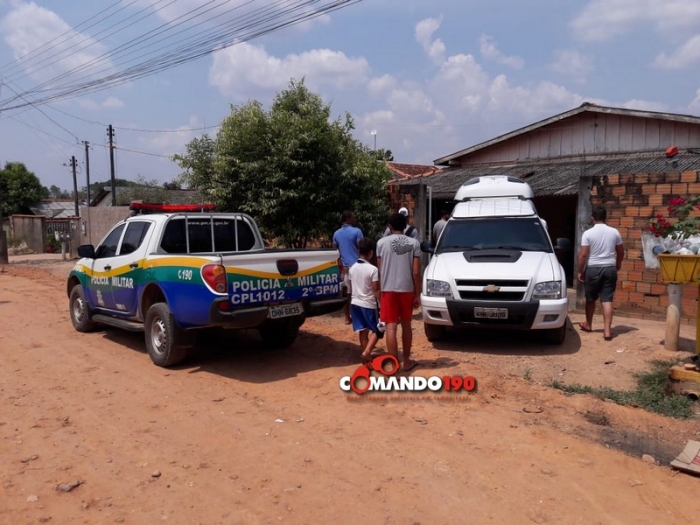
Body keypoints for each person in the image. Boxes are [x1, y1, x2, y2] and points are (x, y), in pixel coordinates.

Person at [376, 212, 422, 372]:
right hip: (407, 289)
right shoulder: (414, 243)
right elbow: (416, 272)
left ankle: (393, 365)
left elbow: (380, 270)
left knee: (391, 327)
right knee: (406, 325)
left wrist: (380, 291)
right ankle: (407, 361)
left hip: (388, 289)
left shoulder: (381, 243)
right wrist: (418, 294)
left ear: (389, 226)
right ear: (405, 226)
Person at [577, 205, 624, 341]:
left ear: (592, 218)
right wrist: (618, 263)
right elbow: (620, 251)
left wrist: (580, 271)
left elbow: (583, 255)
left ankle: (589, 324)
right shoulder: (614, 232)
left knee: (590, 298)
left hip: (593, 268)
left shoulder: (588, 233)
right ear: (605, 217)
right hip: (610, 268)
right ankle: (607, 331)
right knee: (607, 299)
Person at [347, 238, 383, 363]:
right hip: (368, 304)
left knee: (363, 331)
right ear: (371, 253)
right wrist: (382, 304)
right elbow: (376, 289)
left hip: (355, 303)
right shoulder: (373, 269)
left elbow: (350, 287)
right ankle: (367, 352)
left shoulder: (352, 268)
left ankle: (366, 357)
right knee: (378, 330)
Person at [332, 211, 364, 324]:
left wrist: (339, 260)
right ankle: (358, 316)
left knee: (348, 293)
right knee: (359, 292)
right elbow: (361, 248)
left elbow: (335, 250)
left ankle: (347, 317)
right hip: (357, 265)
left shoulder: (336, 233)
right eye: (353, 217)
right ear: (349, 219)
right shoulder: (357, 231)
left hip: (344, 267)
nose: (355, 219)